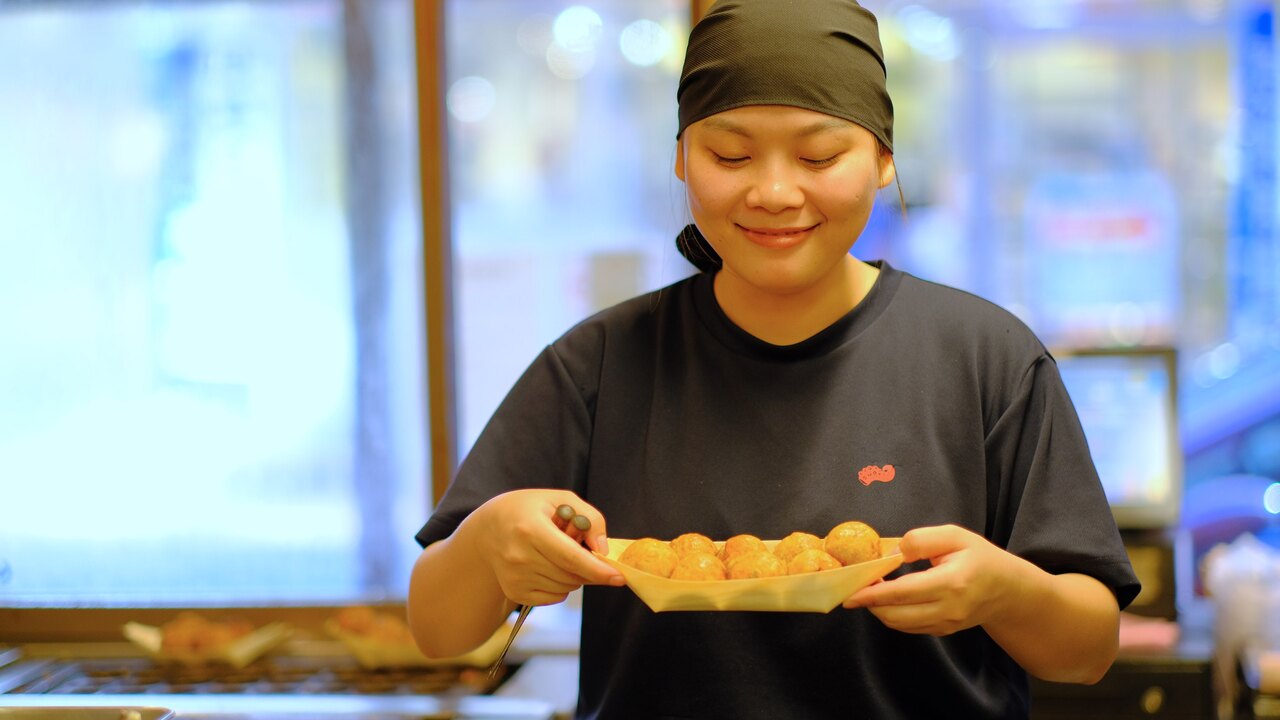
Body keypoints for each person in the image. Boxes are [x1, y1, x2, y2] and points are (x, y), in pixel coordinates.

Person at [408, 1, 1141, 717]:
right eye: (730, 154)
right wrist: (490, 538)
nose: (774, 191)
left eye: (820, 155)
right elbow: (439, 630)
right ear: (681, 158)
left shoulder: (986, 359)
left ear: (884, 159)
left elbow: (1086, 649)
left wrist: (1006, 593)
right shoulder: (600, 363)